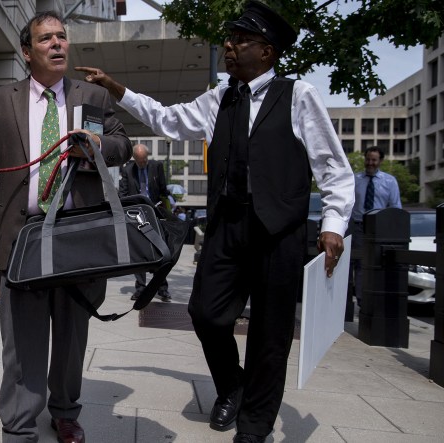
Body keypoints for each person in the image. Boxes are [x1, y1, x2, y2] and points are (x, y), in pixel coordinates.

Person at [77, 2, 354, 442]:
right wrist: (116, 88)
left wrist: (334, 224)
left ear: (266, 51)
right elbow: (169, 120)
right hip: (227, 226)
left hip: (278, 233)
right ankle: (232, 385)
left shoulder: (299, 95)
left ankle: (254, 428)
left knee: (270, 335)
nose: (229, 46)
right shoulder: (219, 97)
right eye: (230, 38)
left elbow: (333, 168)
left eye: (240, 40)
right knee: (205, 313)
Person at [0, 10, 132, 443]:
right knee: (22, 341)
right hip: (22, 237)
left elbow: (122, 145)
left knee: (72, 336)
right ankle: (19, 425)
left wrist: (97, 145)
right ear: (26, 51)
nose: (57, 44)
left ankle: (65, 412)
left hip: (79, 237)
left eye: (61, 37)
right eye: (46, 39)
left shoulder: (92, 97)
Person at [118, 143, 172, 302]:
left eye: (145, 159)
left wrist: (168, 207)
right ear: (135, 159)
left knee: (161, 250)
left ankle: (162, 288)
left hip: (155, 212)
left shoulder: (156, 166)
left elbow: (163, 190)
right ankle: (140, 288)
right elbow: (123, 193)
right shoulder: (128, 170)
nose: (143, 163)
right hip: (137, 215)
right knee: (139, 252)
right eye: (140, 161)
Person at [350, 146, 402, 305]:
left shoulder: (389, 181)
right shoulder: (355, 179)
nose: (370, 163)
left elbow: (395, 207)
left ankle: (376, 299)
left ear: (380, 161)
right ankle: (361, 299)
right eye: (368, 159)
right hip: (359, 226)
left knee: (378, 263)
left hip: (379, 229)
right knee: (360, 263)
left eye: (374, 160)